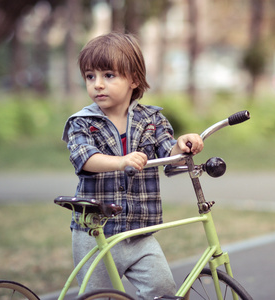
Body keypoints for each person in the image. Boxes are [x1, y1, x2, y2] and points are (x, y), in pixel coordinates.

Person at [62, 32, 204, 299]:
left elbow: (169, 156)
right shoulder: (81, 123)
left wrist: (183, 144)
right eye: (90, 76)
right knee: (99, 296)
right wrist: (121, 161)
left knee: (162, 290)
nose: (98, 84)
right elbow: (84, 159)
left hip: (140, 233)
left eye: (109, 75)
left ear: (134, 80)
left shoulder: (152, 120)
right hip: (96, 232)